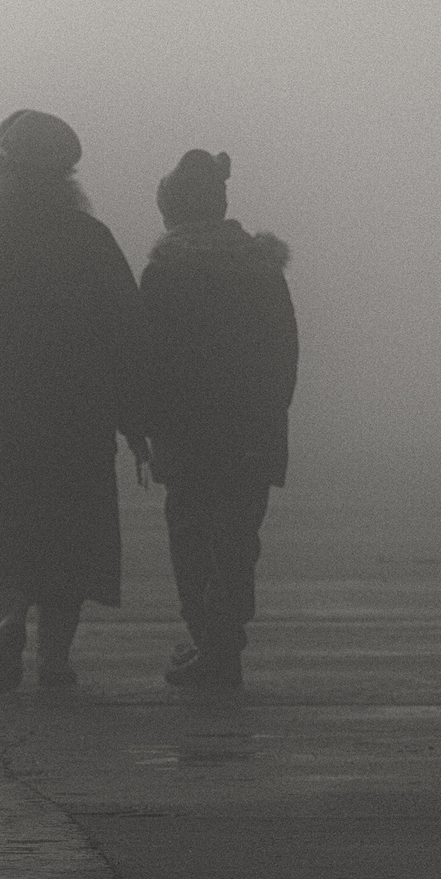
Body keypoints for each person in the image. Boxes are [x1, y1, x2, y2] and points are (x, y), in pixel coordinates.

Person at [0, 110, 139, 689]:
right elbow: (126, 332)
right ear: (68, 178)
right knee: (71, 535)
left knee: (0, 530)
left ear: (2, 171)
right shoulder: (92, 242)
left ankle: (8, 616)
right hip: (78, 418)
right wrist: (133, 416)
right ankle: (55, 657)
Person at [128, 149, 297, 690]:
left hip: (185, 434)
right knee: (236, 540)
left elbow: (144, 357)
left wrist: (139, 426)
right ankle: (222, 643)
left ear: (172, 210)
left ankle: (209, 641)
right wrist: (270, 417)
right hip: (250, 434)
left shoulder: (164, 273)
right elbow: (283, 354)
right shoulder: (262, 270)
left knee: (192, 538)